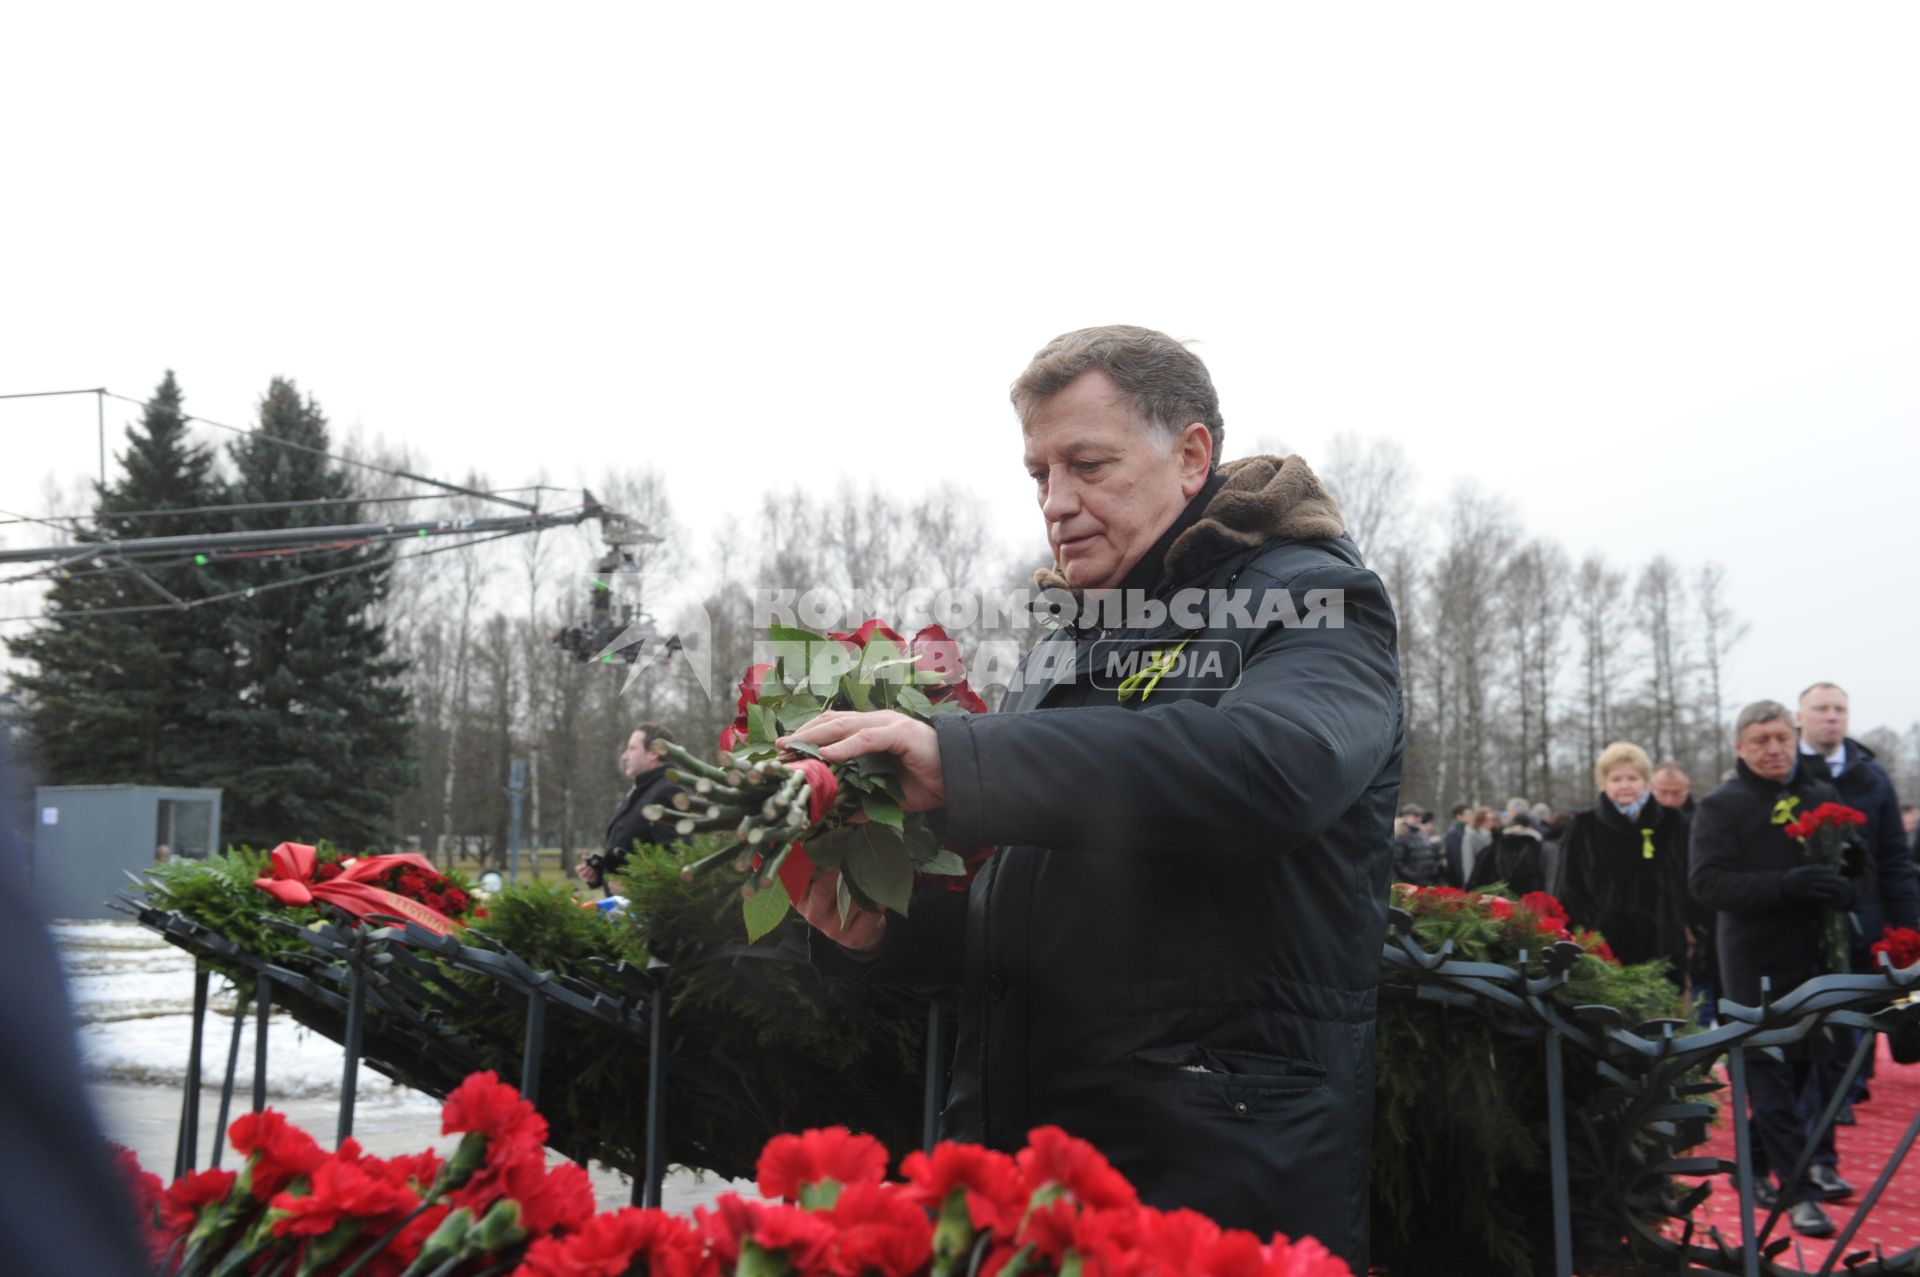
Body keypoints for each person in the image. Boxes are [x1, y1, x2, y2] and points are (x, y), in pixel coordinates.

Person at [786, 325, 1403, 1270]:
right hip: (1033, 1162)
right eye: (1039, 474)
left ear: (1192, 454)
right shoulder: (1072, 636)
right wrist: (882, 931)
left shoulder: (1316, 601)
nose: (1057, 503)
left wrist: (961, 761)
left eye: (1088, 464)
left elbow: (1271, 767)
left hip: (1211, 1168)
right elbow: (1055, 905)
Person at [1690, 700, 1868, 1238]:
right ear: (1739, 747)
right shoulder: (1722, 806)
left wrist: (1847, 879)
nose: (1773, 750)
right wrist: (1784, 886)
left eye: (1781, 739)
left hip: (1814, 961)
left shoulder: (1819, 794)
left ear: (1795, 740)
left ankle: (1752, 1169)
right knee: (1768, 1076)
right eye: (1760, 741)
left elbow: (1854, 862)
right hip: (1753, 966)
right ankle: (1800, 1194)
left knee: (1798, 1076)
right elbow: (1707, 884)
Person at [1795, 683, 1917, 1154]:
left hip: (1862, 919)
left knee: (1854, 1016)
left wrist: (1908, 927)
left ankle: (1840, 1094)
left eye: (1839, 709)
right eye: (1821, 709)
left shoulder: (1871, 776)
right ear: (1800, 715)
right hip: (1800, 923)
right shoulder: (1785, 771)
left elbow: (1893, 858)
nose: (1832, 717)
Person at [1559, 742, 1694, 978]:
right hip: (1603, 949)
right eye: (1616, 779)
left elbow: (1688, 880)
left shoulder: (1672, 823)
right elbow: (1568, 887)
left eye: (1632, 778)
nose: (1625, 785)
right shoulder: (1583, 826)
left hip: (1663, 949)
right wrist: (1579, 935)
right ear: (1604, 783)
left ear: (1645, 781)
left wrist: (1689, 929)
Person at [576, 723, 686, 894]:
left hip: (650, 915)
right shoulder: (642, 791)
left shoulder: (667, 793)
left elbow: (676, 862)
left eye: (632, 749)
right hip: (627, 912)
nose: (624, 756)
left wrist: (632, 886)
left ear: (654, 753)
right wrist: (600, 873)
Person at [1466, 812, 1548, 895]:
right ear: (1529, 827)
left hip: (1498, 899)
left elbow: (1477, 878)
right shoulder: (1536, 848)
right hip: (1527, 901)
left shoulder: (1494, 847)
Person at [1393, 805, 1444, 886]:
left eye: (1420, 816)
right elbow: (1397, 862)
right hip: (1409, 884)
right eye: (1415, 816)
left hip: (1425, 882)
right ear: (1405, 816)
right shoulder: (1400, 834)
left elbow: (1427, 856)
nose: (1419, 819)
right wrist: (1413, 876)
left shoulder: (1421, 834)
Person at [1441, 802, 1471, 887]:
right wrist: (1464, 883)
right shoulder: (1454, 833)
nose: (1471, 817)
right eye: (1468, 814)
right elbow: (1457, 861)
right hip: (1458, 882)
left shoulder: (1465, 830)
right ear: (1459, 816)